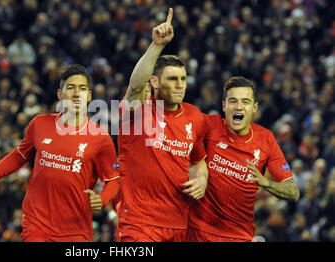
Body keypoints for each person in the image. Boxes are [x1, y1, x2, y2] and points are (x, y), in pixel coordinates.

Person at [0, 64, 120, 242]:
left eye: (82, 88)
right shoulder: (39, 124)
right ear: (60, 95)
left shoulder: (100, 137)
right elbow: (19, 156)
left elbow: (113, 179)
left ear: (90, 96)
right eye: (70, 87)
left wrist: (103, 199)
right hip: (37, 224)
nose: (77, 93)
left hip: (75, 230)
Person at [115, 8, 209, 242]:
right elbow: (136, 87)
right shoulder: (137, 113)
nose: (180, 85)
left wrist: (202, 180)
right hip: (139, 225)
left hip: (179, 225)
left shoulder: (195, 117)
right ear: (154, 82)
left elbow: (198, 162)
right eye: (172, 79)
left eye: (183, 79)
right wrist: (156, 46)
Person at [187, 76, 300, 242]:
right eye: (233, 101)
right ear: (224, 106)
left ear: (254, 108)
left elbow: (293, 192)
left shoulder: (266, 139)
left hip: (239, 236)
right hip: (198, 232)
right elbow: (175, 118)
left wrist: (265, 183)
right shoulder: (210, 125)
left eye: (245, 102)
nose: (239, 107)